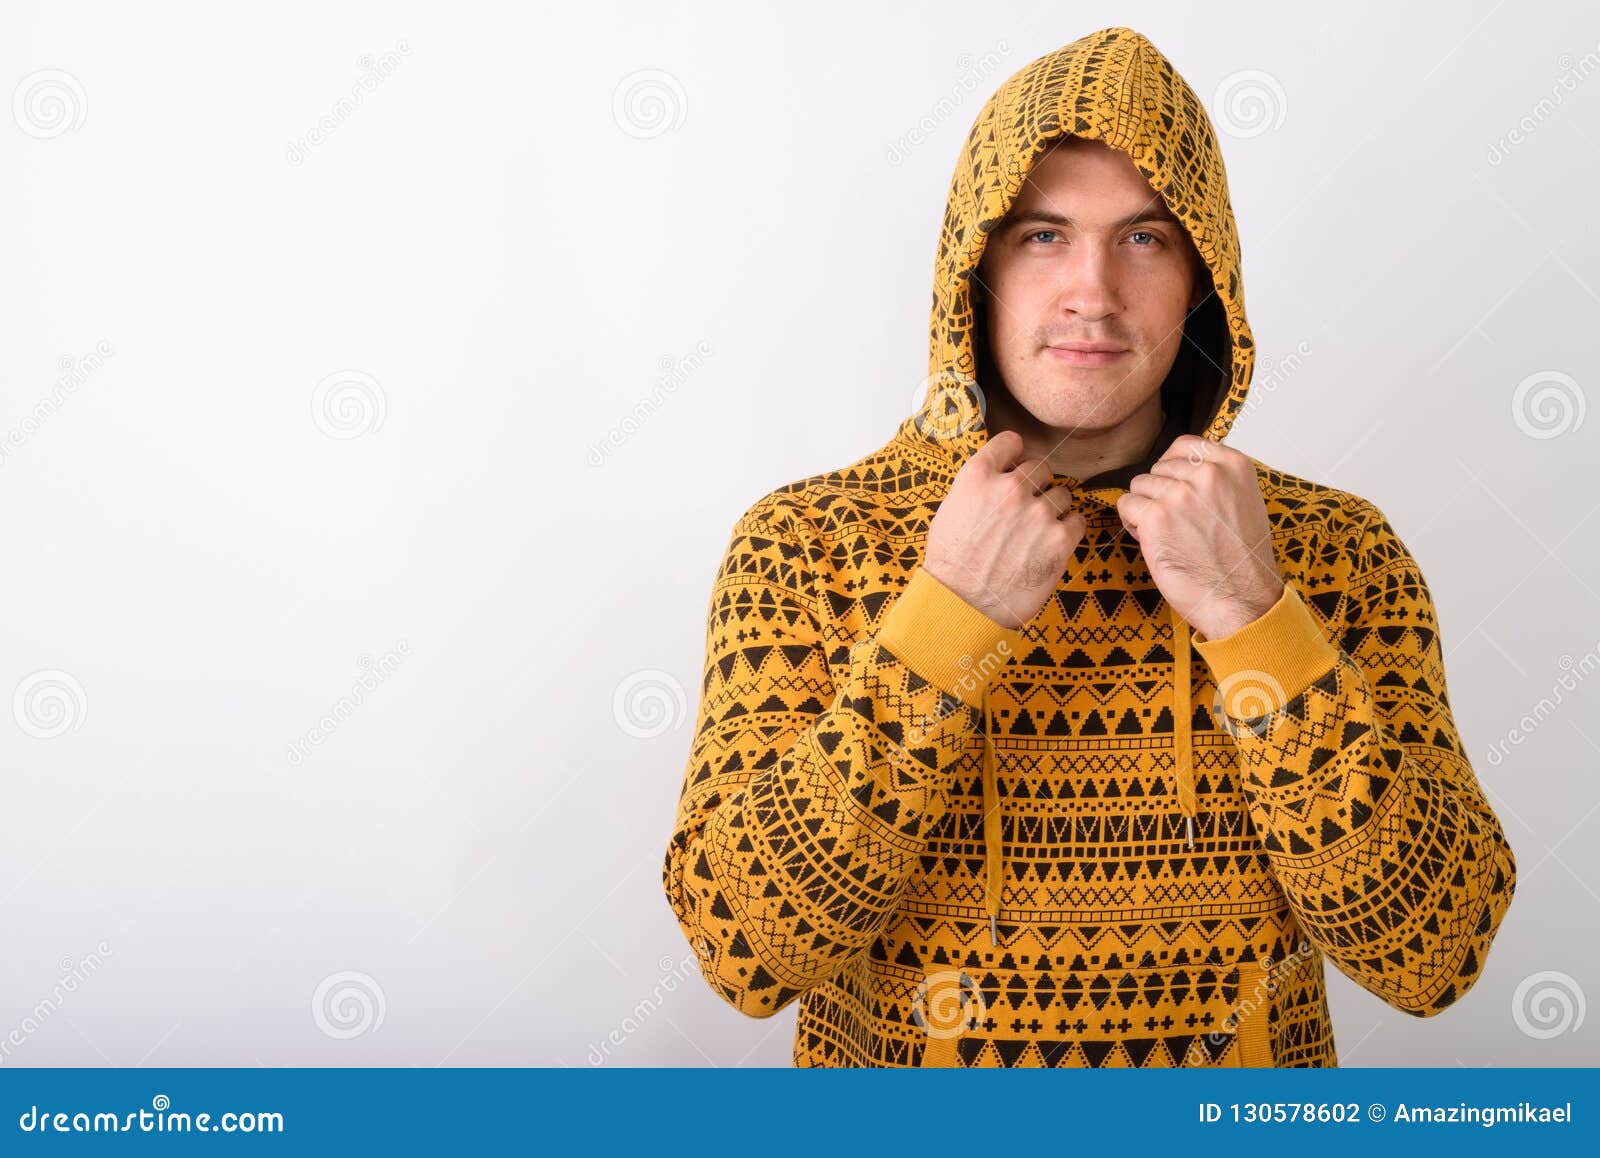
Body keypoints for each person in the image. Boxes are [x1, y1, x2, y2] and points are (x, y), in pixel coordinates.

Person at [661, 26, 1516, 1068]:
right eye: (1043, 236)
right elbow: (743, 951)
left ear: (1205, 277)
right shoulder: (809, 544)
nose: (1093, 295)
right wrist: (945, 619)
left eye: (1145, 239)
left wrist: (1258, 620)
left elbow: (1431, 955)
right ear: (972, 268)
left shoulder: (1331, 551)